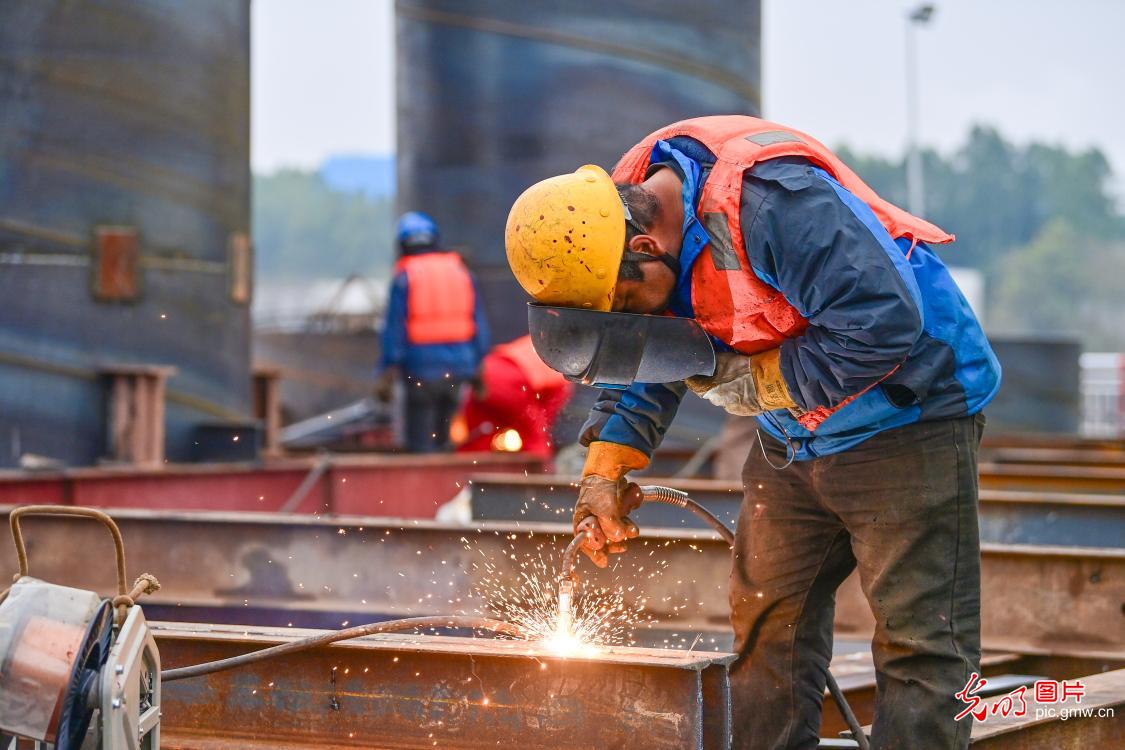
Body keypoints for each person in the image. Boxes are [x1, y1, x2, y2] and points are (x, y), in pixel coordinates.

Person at [504, 116, 1001, 749]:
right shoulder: (614, 220)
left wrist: (765, 384)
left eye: (626, 307)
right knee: (768, 629)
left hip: (907, 419)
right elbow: (651, 346)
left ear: (644, 249)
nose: (632, 319)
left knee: (921, 645)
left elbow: (881, 321)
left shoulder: (771, 206)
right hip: (796, 439)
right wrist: (607, 466)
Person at [376, 211, 489, 453]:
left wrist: (387, 369)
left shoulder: (406, 276)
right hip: (458, 369)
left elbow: (394, 329)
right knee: (444, 435)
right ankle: (447, 482)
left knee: (420, 441)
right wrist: (479, 366)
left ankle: (423, 483)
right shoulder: (460, 272)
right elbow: (477, 321)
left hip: (421, 371)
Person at [455, 335, 574, 460]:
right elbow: (544, 418)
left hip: (485, 371)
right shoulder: (565, 368)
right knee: (534, 436)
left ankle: (460, 471)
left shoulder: (540, 339)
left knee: (476, 440)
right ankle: (540, 472)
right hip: (511, 379)